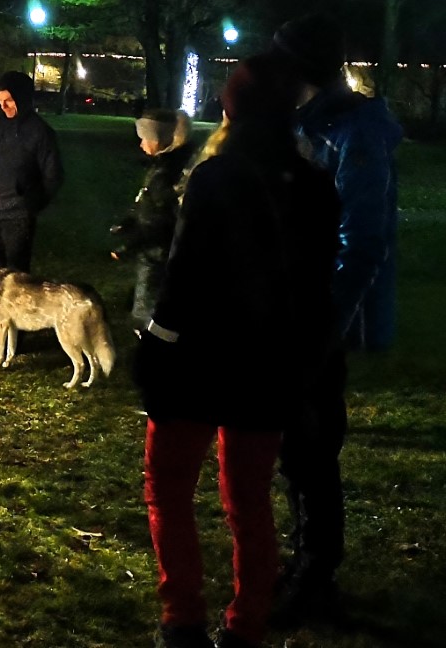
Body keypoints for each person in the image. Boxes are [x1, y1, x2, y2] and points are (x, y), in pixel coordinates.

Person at [136, 55, 340, 648]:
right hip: (268, 364)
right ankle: (246, 625)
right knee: (249, 501)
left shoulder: (216, 178)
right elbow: (317, 284)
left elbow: (183, 278)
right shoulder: (314, 184)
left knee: (169, 488)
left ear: (230, 107)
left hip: (197, 361)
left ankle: (183, 619)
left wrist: (156, 347)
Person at [268, 13, 403, 624]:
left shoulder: (354, 133)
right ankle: (305, 561)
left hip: (316, 315)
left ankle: (315, 571)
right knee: (296, 444)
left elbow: (364, 239)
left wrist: (326, 326)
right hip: (294, 307)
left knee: (313, 442)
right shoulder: (307, 125)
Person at [111, 109, 195, 332]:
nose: (140, 145)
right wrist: (129, 222)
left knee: (146, 310)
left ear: (157, 140)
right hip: (153, 247)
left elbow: (159, 219)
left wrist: (130, 243)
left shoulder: (165, 174)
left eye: (144, 140)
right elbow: (146, 204)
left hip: (156, 250)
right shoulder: (160, 167)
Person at [0, 70, 63, 272]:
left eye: (9, 100)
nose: (3, 106)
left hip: (17, 217)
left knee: (16, 275)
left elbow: (52, 174)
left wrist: (30, 203)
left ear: (22, 98)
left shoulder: (39, 132)